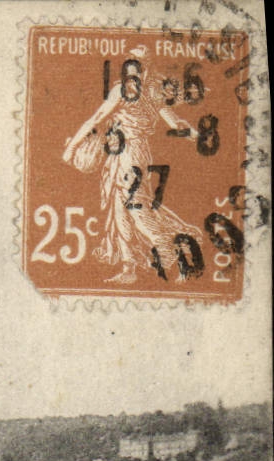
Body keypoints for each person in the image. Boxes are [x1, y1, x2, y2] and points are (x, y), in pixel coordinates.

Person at [61, 45, 200, 284]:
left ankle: (171, 252)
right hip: (128, 153)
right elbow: (174, 122)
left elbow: (96, 118)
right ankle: (129, 268)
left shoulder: (127, 91)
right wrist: (195, 135)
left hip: (130, 154)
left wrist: (72, 148)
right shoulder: (154, 91)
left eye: (138, 63)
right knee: (118, 210)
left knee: (136, 209)